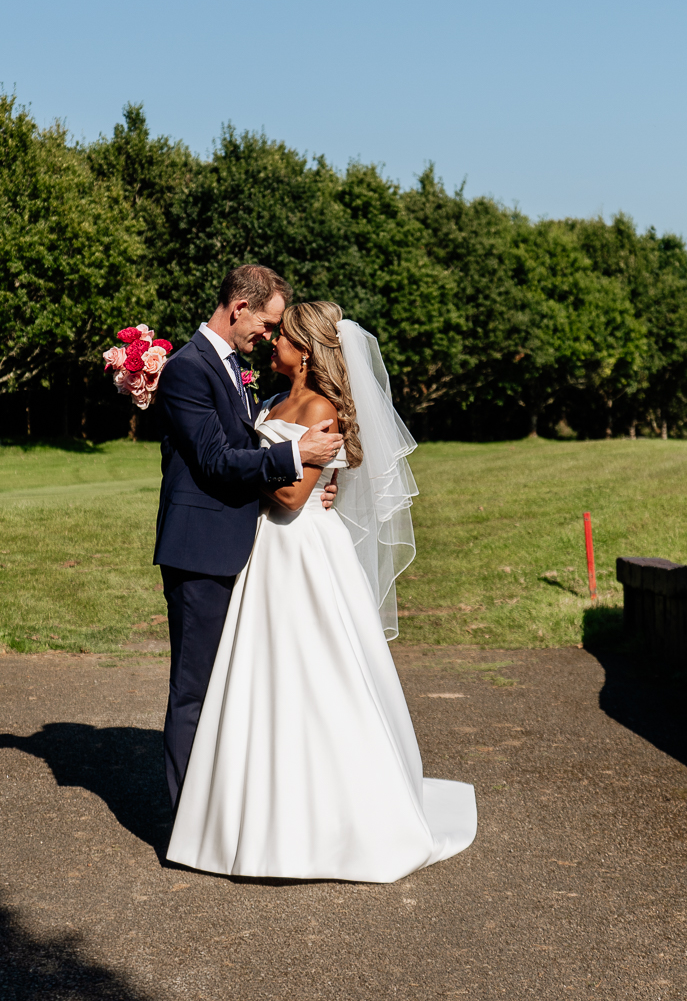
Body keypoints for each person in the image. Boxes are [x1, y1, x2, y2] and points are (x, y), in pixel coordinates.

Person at [164, 299, 477, 882]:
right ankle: (251, 810)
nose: (271, 340)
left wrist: (287, 468)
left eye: (280, 335)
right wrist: (279, 459)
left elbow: (289, 497)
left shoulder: (321, 406)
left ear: (304, 350)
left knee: (312, 676)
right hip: (267, 550)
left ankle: (328, 819)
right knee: (263, 680)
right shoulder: (274, 401)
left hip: (298, 548)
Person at [153, 265, 344, 807]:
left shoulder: (233, 369)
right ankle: (185, 821)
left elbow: (243, 450)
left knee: (228, 687)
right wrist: (294, 459)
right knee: (194, 690)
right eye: (267, 323)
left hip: (245, 547)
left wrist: (311, 490)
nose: (268, 336)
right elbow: (214, 461)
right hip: (200, 550)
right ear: (239, 308)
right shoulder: (189, 368)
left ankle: (223, 811)